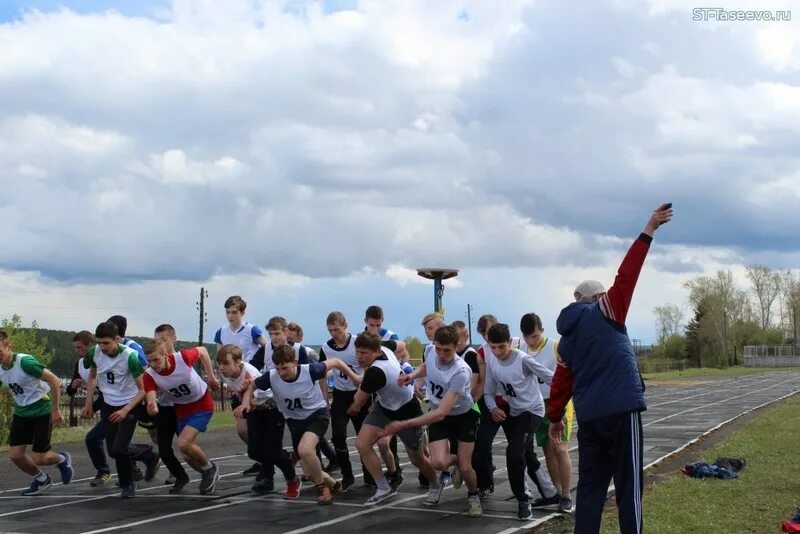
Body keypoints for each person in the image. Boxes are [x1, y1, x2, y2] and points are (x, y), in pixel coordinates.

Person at [547, 202, 673, 534]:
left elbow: (561, 381)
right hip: (621, 412)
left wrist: (554, 418)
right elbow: (628, 274)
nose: (609, 293)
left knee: (590, 489)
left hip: (590, 418)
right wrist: (648, 231)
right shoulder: (609, 309)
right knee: (629, 488)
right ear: (596, 296)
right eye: (604, 292)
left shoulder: (567, 339)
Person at [239, 345, 359, 505]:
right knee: (309, 469)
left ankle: (323, 489)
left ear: (295, 362)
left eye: (285, 368)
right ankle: (334, 484)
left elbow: (336, 361)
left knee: (305, 450)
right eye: (278, 368)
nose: (281, 372)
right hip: (295, 422)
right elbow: (252, 384)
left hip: (316, 415)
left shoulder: (310, 370)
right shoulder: (272, 376)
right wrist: (246, 402)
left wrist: (355, 378)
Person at [388, 325, 481, 516]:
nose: (441, 354)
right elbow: (426, 367)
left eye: (447, 350)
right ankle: (457, 462)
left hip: (463, 416)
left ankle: (473, 495)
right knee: (438, 462)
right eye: (438, 348)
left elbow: (441, 412)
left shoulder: (461, 371)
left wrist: (405, 423)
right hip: (440, 414)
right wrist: (411, 376)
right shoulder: (431, 351)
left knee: (466, 466)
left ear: (456, 347)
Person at [473, 314, 558, 504]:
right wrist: (493, 407)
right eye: (493, 347)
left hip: (533, 410)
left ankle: (523, 499)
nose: (497, 351)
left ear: (510, 343)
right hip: (514, 411)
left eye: (501, 347)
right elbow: (488, 392)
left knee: (514, 453)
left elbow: (553, 378)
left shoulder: (523, 359)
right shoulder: (491, 360)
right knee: (526, 454)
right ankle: (551, 494)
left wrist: (559, 405)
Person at [348, 331, 436, 505]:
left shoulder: (376, 372)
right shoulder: (385, 347)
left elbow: (357, 403)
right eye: (357, 352)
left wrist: (352, 404)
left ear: (376, 352)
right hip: (385, 407)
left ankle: (435, 484)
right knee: (362, 444)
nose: (359, 357)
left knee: (416, 458)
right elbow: (402, 344)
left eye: (364, 353)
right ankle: (383, 487)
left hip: (407, 410)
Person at [82, 321, 159, 498]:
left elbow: (142, 389)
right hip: (109, 404)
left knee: (120, 447)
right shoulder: (94, 353)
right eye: (99, 342)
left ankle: (127, 484)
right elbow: (93, 376)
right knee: (112, 450)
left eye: (106, 343)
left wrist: (125, 410)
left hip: (129, 403)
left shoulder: (129, 357)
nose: (102, 347)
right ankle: (148, 456)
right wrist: (88, 403)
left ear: (117, 339)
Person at [218, 344, 301, 498]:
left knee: (272, 451)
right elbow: (242, 395)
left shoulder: (249, 373)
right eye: (220, 363)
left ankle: (291, 478)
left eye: (226, 363)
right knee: (255, 451)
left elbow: (254, 397)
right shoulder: (226, 375)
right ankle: (273, 470)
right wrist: (241, 398)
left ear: (238, 362)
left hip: (271, 409)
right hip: (254, 410)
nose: (222, 368)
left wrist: (244, 401)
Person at [0, 331, 74, 495]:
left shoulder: (25, 362)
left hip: (42, 409)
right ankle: (42, 479)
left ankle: (62, 459)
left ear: (8, 346)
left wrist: (56, 409)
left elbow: (54, 380)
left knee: (40, 458)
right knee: (15, 455)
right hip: (21, 412)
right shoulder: (1, 369)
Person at [143, 339, 220, 495]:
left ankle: (210, 468)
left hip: (201, 404)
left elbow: (203, 351)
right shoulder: (149, 375)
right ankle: (206, 472)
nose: (153, 364)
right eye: (149, 361)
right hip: (182, 409)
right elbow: (150, 394)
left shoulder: (182, 358)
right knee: (186, 453)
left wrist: (211, 376)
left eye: (156, 359)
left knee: (183, 442)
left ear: (165, 355)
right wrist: (152, 404)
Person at [519, 312, 574, 513]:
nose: (531, 341)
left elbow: (570, 372)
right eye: (527, 337)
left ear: (542, 331)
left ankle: (567, 495)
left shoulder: (555, 346)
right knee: (547, 451)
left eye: (535, 336)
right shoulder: (521, 348)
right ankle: (557, 492)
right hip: (536, 405)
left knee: (560, 448)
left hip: (558, 404)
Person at [213, 295, 268, 476]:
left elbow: (266, 348)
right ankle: (261, 458)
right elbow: (219, 356)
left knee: (252, 426)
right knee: (244, 430)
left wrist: (259, 366)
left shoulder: (251, 330)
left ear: (242, 312)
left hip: (251, 380)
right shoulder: (221, 332)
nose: (230, 316)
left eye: (234, 312)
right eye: (228, 312)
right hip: (234, 380)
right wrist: (222, 377)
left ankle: (267, 460)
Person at [318, 311, 372, 489]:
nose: (334, 334)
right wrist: (325, 400)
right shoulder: (326, 348)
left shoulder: (358, 342)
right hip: (341, 395)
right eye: (330, 330)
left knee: (364, 437)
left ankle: (369, 475)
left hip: (361, 393)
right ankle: (347, 475)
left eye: (336, 329)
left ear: (345, 326)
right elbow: (323, 375)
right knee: (338, 435)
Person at [66, 330, 112, 486]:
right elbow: (70, 390)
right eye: (75, 348)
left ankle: (146, 457)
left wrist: (92, 407)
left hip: (114, 403)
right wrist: (72, 386)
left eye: (79, 348)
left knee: (114, 444)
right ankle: (103, 471)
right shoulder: (80, 364)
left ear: (90, 346)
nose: (77, 351)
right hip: (103, 404)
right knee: (95, 439)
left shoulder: (103, 361)